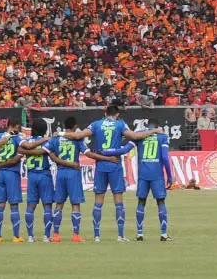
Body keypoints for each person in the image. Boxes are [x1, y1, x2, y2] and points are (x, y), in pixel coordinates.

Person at [63, 104, 158, 242]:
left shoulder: (96, 124)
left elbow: (78, 136)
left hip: (101, 165)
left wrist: (60, 134)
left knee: (98, 201)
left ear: (105, 112)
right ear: (117, 114)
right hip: (115, 165)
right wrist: (154, 131)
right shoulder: (120, 124)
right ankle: (120, 235)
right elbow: (135, 136)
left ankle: (96, 236)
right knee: (118, 200)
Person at [103, 120, 173, 241]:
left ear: (147, 126)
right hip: (157, 175)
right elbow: (165, 157)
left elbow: (124, 150)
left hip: (143, 175)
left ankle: (140, 234)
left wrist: (106, 152)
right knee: (161, 203)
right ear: (157, 127)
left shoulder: (139, 136)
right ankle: (164, 234)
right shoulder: (162, 137)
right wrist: (170, 176)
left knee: (141, 202)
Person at [44, 117, 105, 243]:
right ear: (75, 126)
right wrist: (104, 158)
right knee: (75, 204)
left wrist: (60, 161)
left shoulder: (56, 139)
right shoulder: (77, 139)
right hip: (73, 173)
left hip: (60, 173)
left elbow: (48, 152)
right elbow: (88, 153)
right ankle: (76, 235)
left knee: (59, 204)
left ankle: (56, 235)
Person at [19, 119, 55, 243]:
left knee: (30, 206)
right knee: (47, 205)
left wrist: (25, 152)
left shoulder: (27, 141)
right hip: (44, 174)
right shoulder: (47, 141)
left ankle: (30, 236)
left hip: (32, 175)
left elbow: (22, 149)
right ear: (45, 129)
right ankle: (46, 236)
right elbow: (47, 153)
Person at [0, 119, 22, 243]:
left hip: (1, 174)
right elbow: (19, 155)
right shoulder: (18, 138)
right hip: (12, 173)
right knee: (14, 205)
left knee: (0, 204)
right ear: (15, 125)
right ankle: (16, 236)